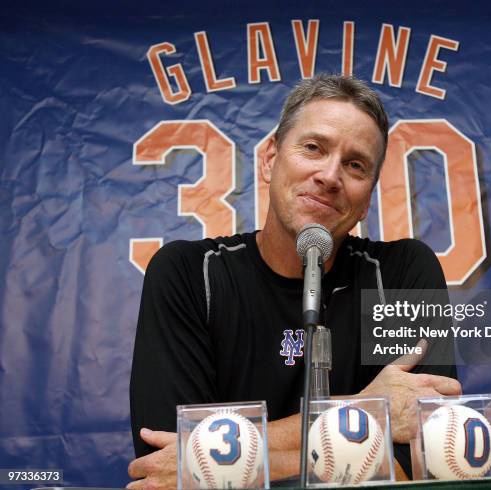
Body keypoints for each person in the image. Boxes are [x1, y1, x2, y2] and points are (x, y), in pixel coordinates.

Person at [128, 74, 461, 488]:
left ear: (367, 198)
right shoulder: (189, 274)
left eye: (355, 165)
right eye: (313, 148)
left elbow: (419, 467)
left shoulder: (401, 274)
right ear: (270, 158)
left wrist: (224, 458)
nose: (330, 175)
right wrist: (363, 414)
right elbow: (165, 467)